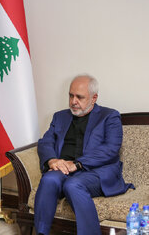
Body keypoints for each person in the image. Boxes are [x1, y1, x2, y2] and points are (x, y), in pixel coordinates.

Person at [34, 74, 133, 235]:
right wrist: (52, 160)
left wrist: (78, 164)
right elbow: (46, 142)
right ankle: (41, 233)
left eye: (79, 97)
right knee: (49, 179)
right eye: (71, 95)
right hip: (64, 169)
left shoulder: (109, 116)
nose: (73, 101)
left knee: (73, 185)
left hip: (95, 172)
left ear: (94, 98)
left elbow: (111, 149)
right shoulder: (60, 117)